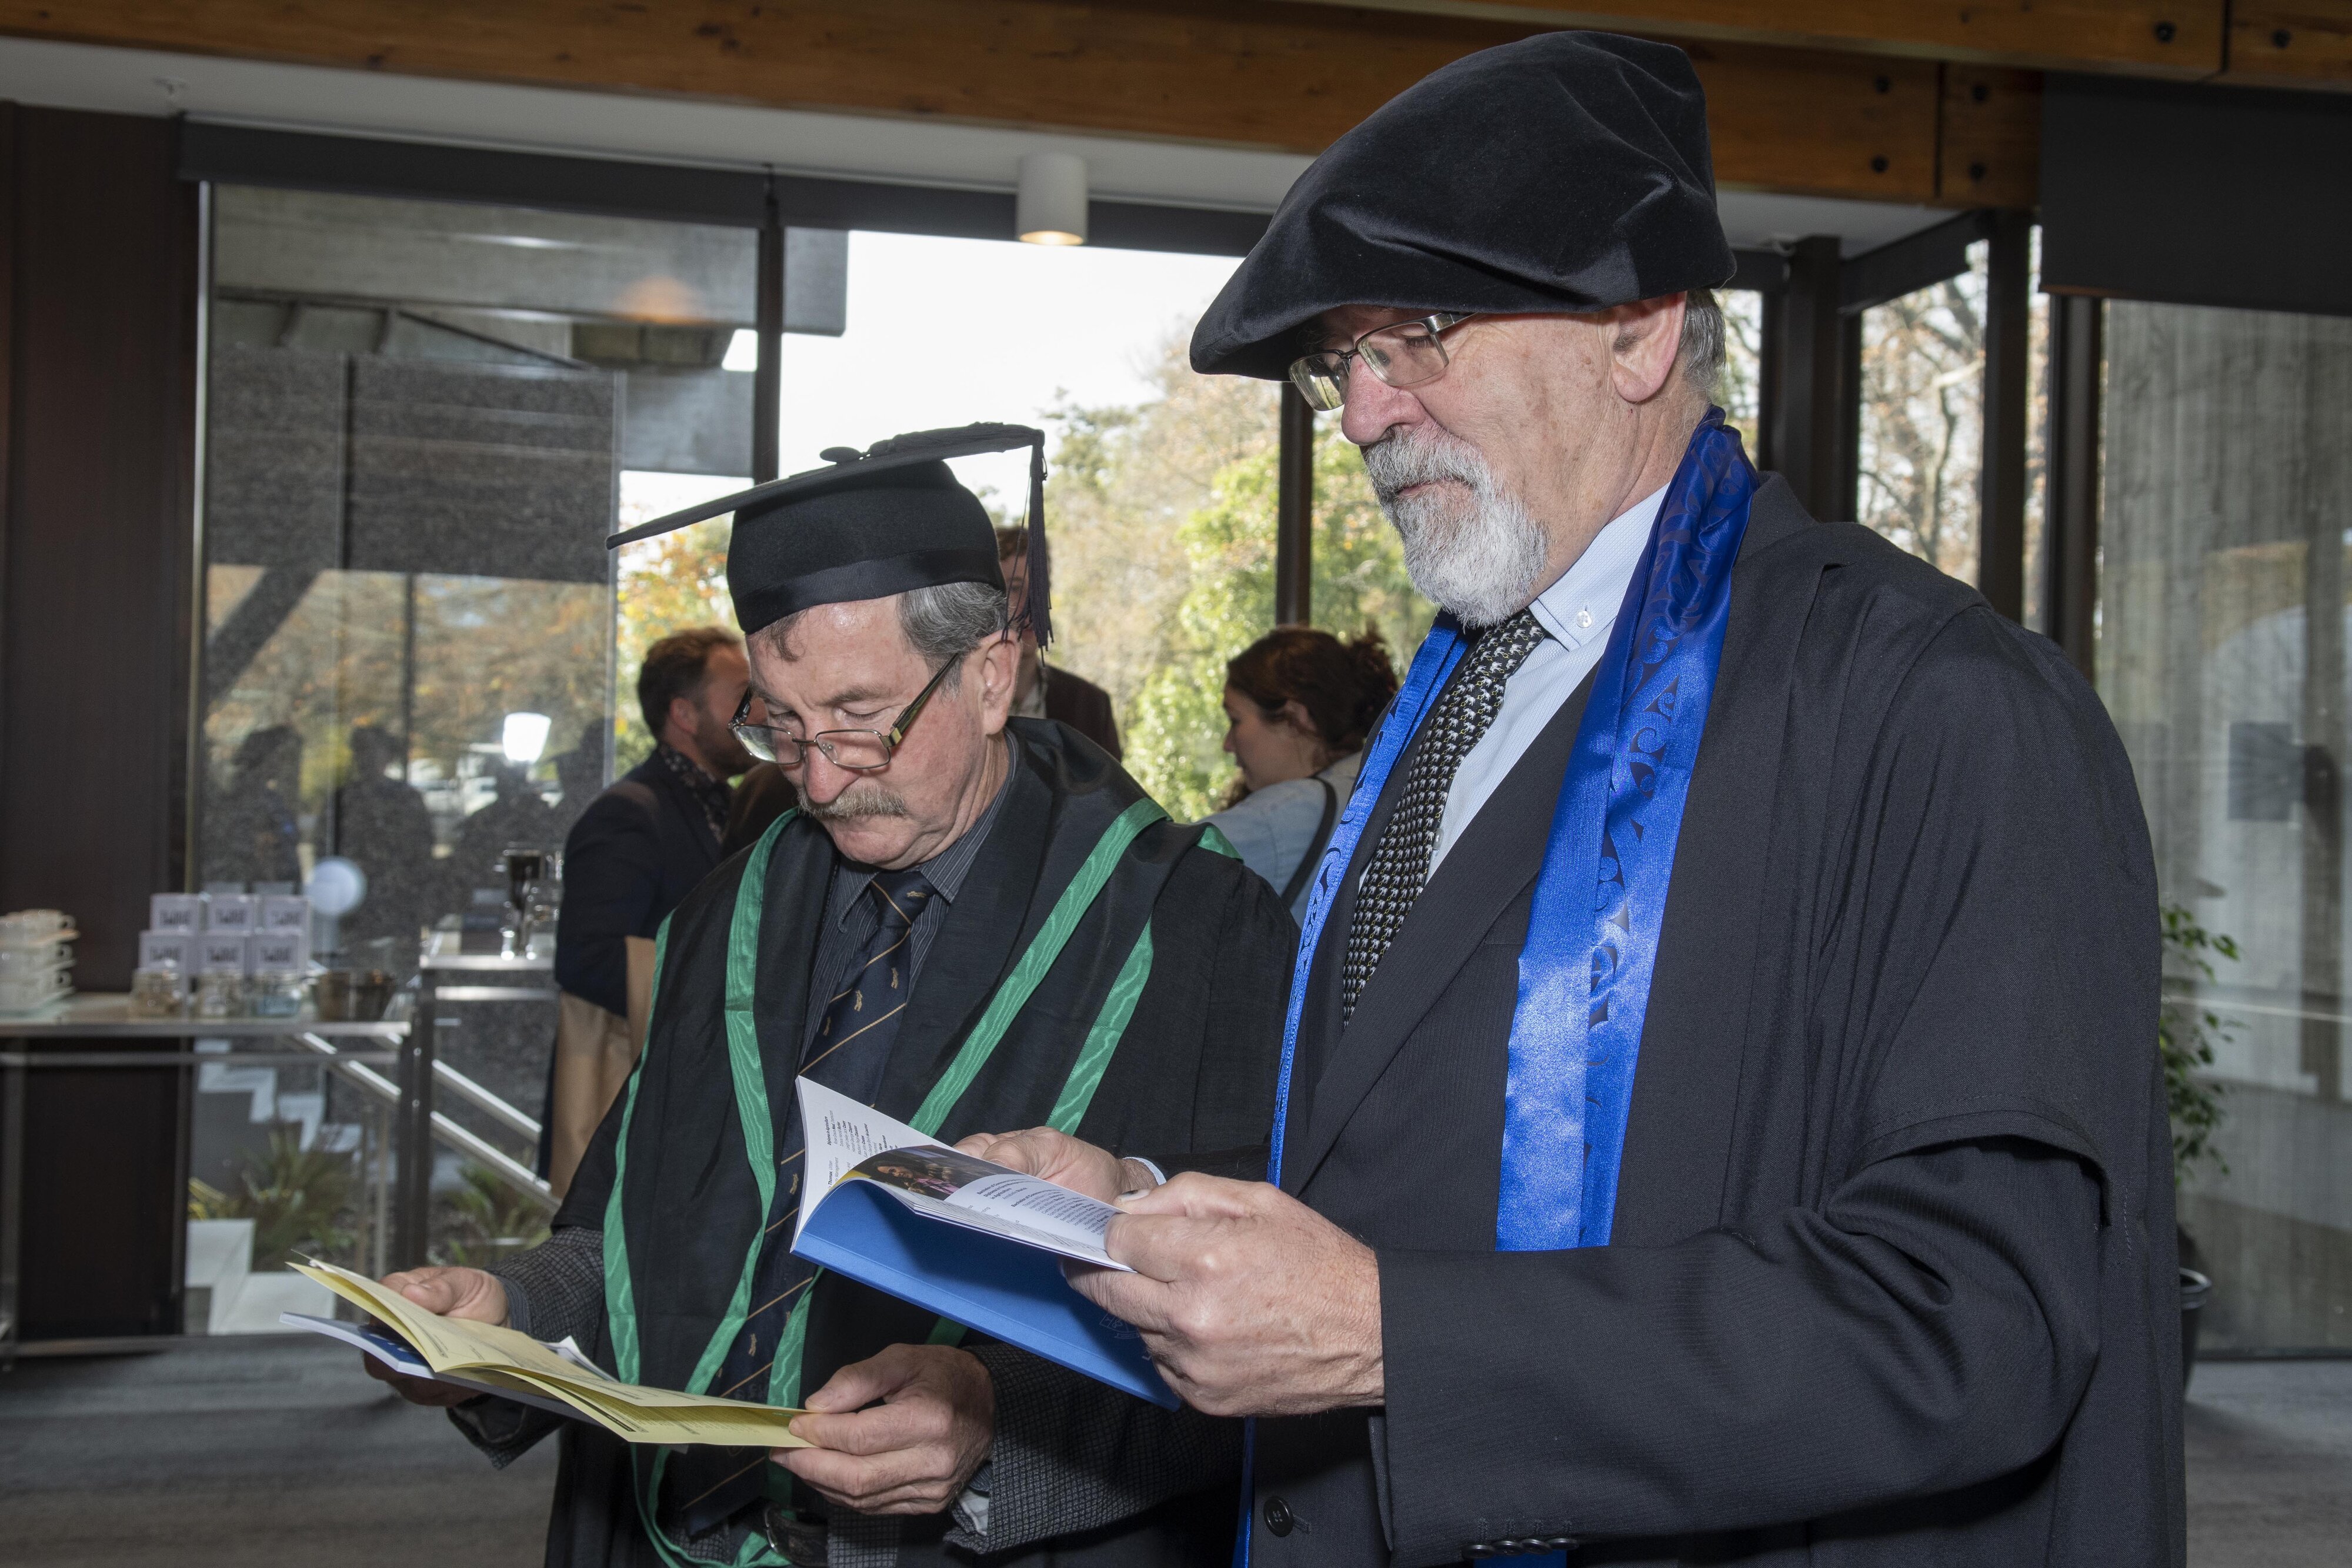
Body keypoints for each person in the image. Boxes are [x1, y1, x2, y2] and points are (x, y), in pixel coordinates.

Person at [965, 33, 2176, 1568]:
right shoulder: (1453, 694)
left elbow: (1969, 1322)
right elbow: (1409, 1145)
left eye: (1418, 335)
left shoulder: (1932, 706)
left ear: (1637, 330)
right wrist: (1139, 1212)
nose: (1358, 412)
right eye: (1341, 360)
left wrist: (1402, 1338)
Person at [363, 423, 1294, 1568]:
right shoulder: (726, 916)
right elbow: (637, 1236)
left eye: (861, 719)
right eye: (779, 723)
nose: (816, 777)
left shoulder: (1195, 934)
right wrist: (501, 1312)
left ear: (992, 671)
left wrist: (999, 1429)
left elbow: (1272, 1329)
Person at [540, 627, 756, 1192]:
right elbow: (586, 959)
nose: (758, 710)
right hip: (637, 1111)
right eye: (741, 695)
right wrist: (722, 991)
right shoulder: (627, 815)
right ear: (684, 714)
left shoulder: (726, 803)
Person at [1206, 627, 1397, 919]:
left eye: (1235, 720)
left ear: (1295, 718)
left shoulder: (1282, 814)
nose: (1227, 744)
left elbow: (1145, 871)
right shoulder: (1374, 783)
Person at [996, 523, 1121, 758]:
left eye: (1041, 588)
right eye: (1015, 588)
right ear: (987, 597)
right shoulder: (959, 701)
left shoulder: (1091, 706)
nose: (1033, 604)